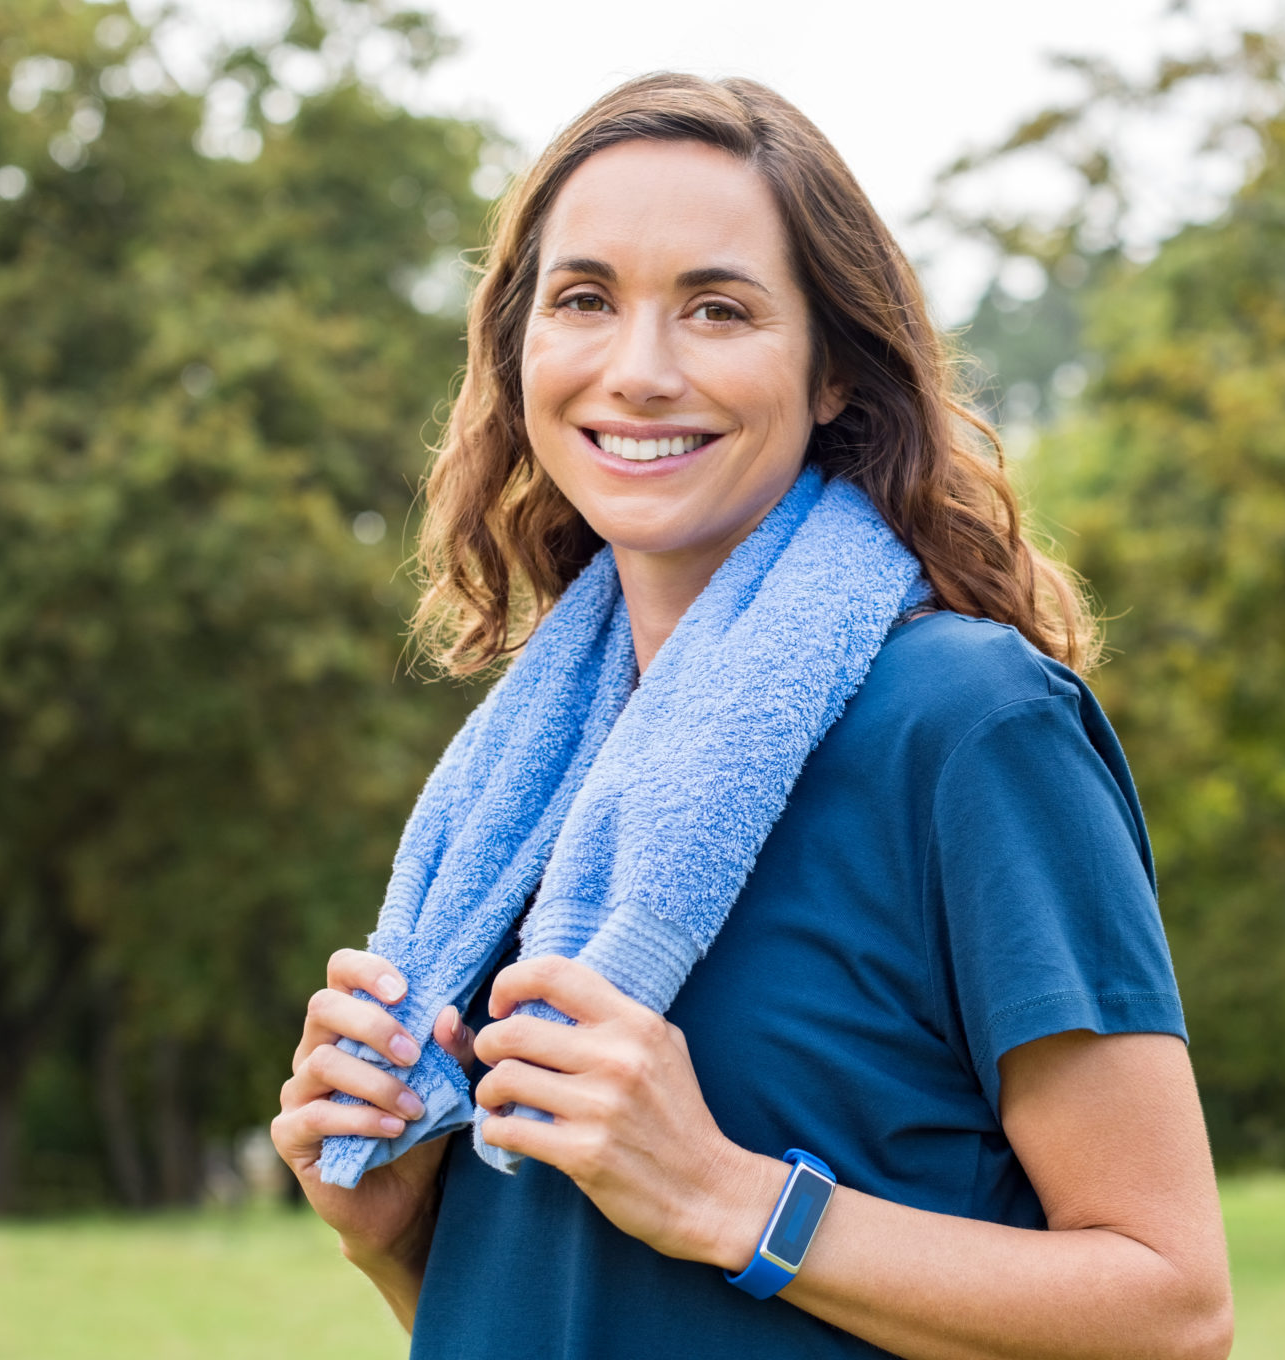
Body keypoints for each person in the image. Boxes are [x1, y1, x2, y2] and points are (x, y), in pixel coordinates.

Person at [270, 73, 1233, 1359]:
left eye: (716, 309)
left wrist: (727, 1198)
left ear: (833, 371)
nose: (640, 369)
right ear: (517, 348)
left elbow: (1171, 1310)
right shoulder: (532, 775)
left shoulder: (969, 723)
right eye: (584, 300)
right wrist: (390, 1235)